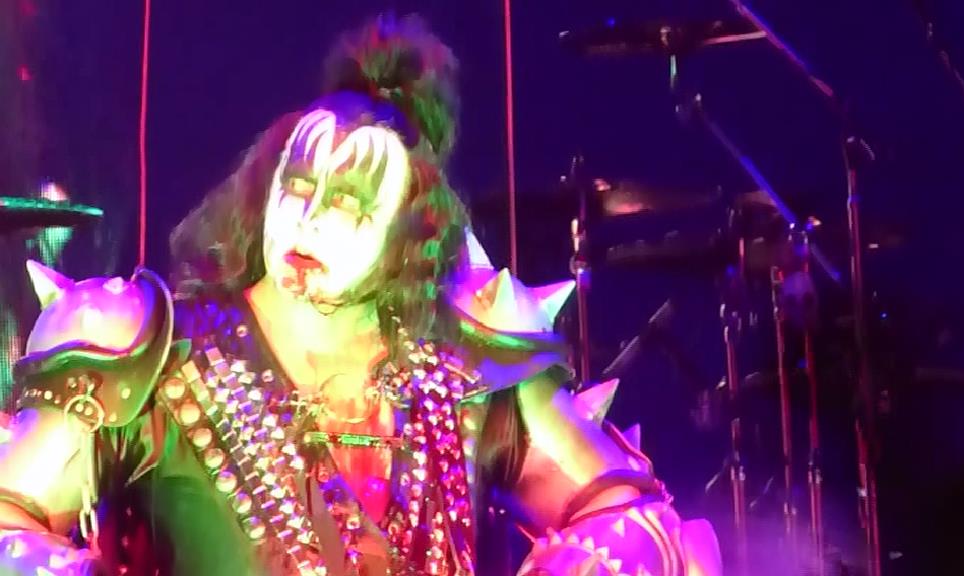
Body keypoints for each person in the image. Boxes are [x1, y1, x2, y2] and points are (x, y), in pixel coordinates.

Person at [0, 15, 721, 576]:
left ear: (408, 236)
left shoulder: (459, 374)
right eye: (298, 187)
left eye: (348, 203)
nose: (310, 218)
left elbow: (634, 520)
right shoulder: (150, 352)